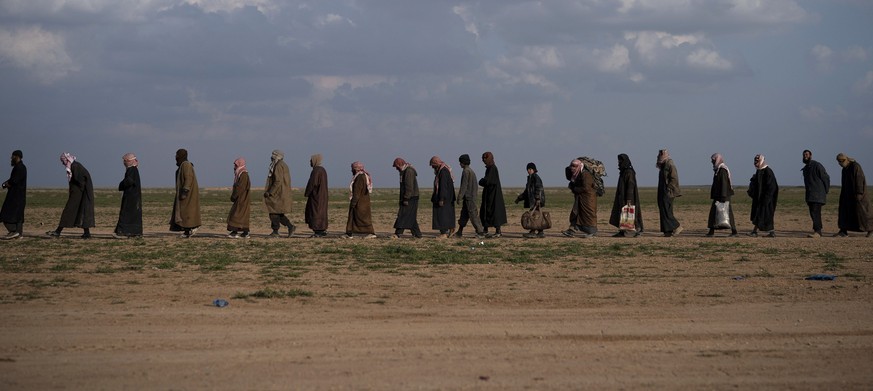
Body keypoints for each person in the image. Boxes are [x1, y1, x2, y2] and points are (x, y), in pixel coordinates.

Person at [47, 153, 95, 239]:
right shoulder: (76, 166)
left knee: (68, 211)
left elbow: (80, 182)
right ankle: (87, 233)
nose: (63, 163)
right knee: (82, 212)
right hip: (81, 194)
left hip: (79, 194)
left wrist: (75, 193)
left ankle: (58, 231)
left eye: (63, 161)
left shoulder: (75, 167)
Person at [835, 153, 872, 237]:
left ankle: (871, 230)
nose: (840, 163)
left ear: (846, 160)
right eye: (839, 161)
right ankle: (843, 231)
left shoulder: (855, 166)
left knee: (864, 213)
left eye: (841, 161)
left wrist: (859, 193)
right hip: (847, 195)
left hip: (858, 195)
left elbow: (860, 179)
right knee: (845, 212)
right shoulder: (844, 169)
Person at [169, 149, 201, 238]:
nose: (175, 157)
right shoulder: (183, 165)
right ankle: (187, 231)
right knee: (185, 212)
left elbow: (188, 178)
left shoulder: (186, 165)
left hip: (187, 194)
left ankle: (191, 228)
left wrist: (185, 191)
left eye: (177, 155)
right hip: (185, 193)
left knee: (187, 212)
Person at [609, 154, 643, 237]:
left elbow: (630, 186)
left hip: (628, 198)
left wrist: (629, 200)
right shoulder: (623, 172)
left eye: (621, 161)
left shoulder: (629, 172)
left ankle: (630, 232)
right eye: (619, 161)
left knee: (628, 213)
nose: (619, 163)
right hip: (622, 197)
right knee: (622, 213)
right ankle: (623, 231)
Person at [264, 150, 296, 238]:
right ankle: (290, 226)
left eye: (273, 155)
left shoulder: (278, 165)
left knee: (273, 212)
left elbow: (278, 181)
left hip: (277, 194)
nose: (271, 157)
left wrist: (270, 192)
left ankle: (275, 231)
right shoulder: (283, 165)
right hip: (281, 193)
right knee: (278, 213)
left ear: (276, 156)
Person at [562, 159, 597, 238]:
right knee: (576, 213)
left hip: (588, 199)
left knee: (588, 215)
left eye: (574, 166)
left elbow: (586, 188)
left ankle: (591, 231)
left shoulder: (585, 174)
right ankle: (571, 230)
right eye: (572, 166)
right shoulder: (577, 175)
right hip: (580, 198)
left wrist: (575, 189)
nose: (572, 168)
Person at [747, 154, 779, 237]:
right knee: (759, 214)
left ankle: (767, 232)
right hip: (760, 198)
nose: (755, 162)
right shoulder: (759, 171)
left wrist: (766, 198)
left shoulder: (768, 171)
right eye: (755, 160)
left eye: (757, 160)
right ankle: (756, 231)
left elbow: (772, 187)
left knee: (765, 214)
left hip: (767, 199)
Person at [706, 153, 738, 237]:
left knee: (728, 213)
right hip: (719, 195)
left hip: (723, 195)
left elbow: (724, 184)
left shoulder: (722, 170)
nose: (712, 162)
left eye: (713, 160)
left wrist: (723, 197)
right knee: (714, 213)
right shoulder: (718, 169)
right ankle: (711, 231)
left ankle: (734, 231)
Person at [343, 161, 376, 239]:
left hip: (360, 202)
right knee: (356, 218)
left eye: (352, 168)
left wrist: (353, 202)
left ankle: (371, 233)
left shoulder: (360, 177)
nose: (351, 170)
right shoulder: (362, 176)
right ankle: (350, 233)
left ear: (355, 169)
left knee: (363, 218)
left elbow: (357, 191)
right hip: (363, 201)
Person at [113, 153, 142, 238]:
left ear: (129, 161)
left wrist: (121, 185)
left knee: (126, 214)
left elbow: (129, 181)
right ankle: (134, 232)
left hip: (131, 197)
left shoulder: (131, 170)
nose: (124, 163)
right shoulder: (134, 170)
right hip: (133, 196)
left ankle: (123, 232)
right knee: (133, 215)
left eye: (125, 161)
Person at [801, 150, 830, 238]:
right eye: (804, 155)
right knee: (813, 213)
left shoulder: (817, 165)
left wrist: (825, 191)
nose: (805, 156)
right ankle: (817, 231)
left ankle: (818, 231)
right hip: (810, 195)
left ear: (811, 155)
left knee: (815, 213)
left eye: (807, 154)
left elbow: (826, 178)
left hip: (818, 195)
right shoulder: (806, 168)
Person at [478, 152, 507, 238]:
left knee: (495, 212)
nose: (484, 160)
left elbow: (488, 181)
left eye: (485, 158)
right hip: (489, 195)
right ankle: (485, 230)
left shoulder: (493, 168)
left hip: (494, 196)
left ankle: (498, 231)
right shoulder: (489, 168)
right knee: (485, 212)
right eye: (483, 158)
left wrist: (481, 181)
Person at [455, 154, 484, 239]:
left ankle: (480, 231)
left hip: (469, 198)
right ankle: (459, 232)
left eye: (460, 162)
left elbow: (464, 186)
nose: (459, 164)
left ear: (463, 163)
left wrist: (459, 197)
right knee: (464, 215)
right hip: (469, 197)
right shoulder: (471, 171)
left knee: (473, 215)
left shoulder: (466, 171)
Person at [392, 157, 422, 238]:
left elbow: (409, 186)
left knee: (403, 215)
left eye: (396, 166)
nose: (396, 169)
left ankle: (398, 233)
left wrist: (406, 198)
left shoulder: (408, 171)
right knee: (410, 216)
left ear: (399, 164)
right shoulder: (404, 171)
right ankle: (417, 234)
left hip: (411, 197)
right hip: (409, 196)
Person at [514, 162, 545, 238]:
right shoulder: (530, 178)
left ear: (534, 169)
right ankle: (540, 232)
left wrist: (538, 199)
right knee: (537, 216)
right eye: (528, 169)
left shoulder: (536, 177)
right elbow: (526, 191)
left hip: (536, 200)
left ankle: (533, 231)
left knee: (533, 216)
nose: (529, 170)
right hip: (534, 200)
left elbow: (539, 188)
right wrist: (519, 198)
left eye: (530, 169)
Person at [656, 149, 682, 237]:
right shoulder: (663, 165)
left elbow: (674, 179)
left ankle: (677, 226)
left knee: (667, 211)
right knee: (663, 210)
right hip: (662, 191)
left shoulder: (670, 164)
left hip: (668, 192)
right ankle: (667, 231)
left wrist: (668, 189)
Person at [0, 150, 26, 240]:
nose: (11, 158)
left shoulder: (19, 168)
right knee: (18, 216)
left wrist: (5, 184)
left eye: (13, 156)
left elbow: (14, 180)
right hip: (19, 196)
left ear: (17, 157)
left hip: (15, 196)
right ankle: (18, 234)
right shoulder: (20, 167)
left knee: (4, 214)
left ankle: (14, 232)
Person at [430, 156, 456, 238]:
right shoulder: (443, 170)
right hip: (448, 197)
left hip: (444, 198)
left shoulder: (443, 171)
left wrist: (441, 198)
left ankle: (443, 233)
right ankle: (451, 228)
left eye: (433, 165)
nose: (432, 167)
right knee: (447, 214)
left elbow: (443, 186)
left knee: (442, 215)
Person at [304, 154, 329, 237]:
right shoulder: (322, 170)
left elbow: (312, 183)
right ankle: (321, 230)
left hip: (316, 196)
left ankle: (318, 231)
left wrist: (307, 193)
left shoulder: (316, 170)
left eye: (311, 160)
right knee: (321, 212)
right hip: (322, 196)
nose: (310, 162)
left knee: (315, 213)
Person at [227, 157, 251, 238]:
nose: (234, 166)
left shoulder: (243, 174)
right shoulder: (240, 173)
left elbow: (240, 187)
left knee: (237, 215)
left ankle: (235, 232)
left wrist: (234, 196)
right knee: (241, 215)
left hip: (242, 198)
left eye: (236, 164)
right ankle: (245, 232)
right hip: (240, 198)